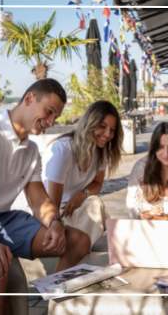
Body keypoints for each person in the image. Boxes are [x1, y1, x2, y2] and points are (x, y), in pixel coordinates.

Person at [0, 79, 91, 315]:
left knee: (78, 240)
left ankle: (53, 305)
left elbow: (39, 199)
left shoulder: (31, 151)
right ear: (29, 99)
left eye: (55, 118)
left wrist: (55, 222)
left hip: (4, 219)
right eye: (49, 112)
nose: (50, 122)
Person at [43, 101, 123, 246]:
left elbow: (97, 184)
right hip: (53, 210)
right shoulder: (64, 149)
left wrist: (81, 194)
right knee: (93, 211)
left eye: (112, 129)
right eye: (103, 127)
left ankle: (83, 257)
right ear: (90, 123)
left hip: (77, 206)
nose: (108, 134)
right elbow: (52, 203)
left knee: (95, 204)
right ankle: (82, 258)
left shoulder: (101, 149)